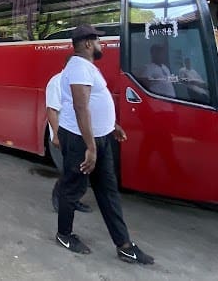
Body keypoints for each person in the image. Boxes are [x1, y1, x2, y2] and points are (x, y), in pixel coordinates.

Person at [55, 24, 154, 264]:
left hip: (100, 138)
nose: (101, 44)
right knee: (72, 188)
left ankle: (124, 246)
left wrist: (112, 126)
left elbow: (97, 103)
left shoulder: (87, 67)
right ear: (88, 43)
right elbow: (81, 107)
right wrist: (90, 147)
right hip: (81, 140)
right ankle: (64, 235)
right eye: (98, 40)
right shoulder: (78, 67)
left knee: (108, 191)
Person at [46, 61, 92, 214]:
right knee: (69, 172)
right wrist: (57, 136)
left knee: (80, 172)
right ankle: (59, 199)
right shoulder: (57, 81)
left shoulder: (78, 83)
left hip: (78, 136)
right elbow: (51, 110)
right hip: (63, 137)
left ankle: (74, 200)